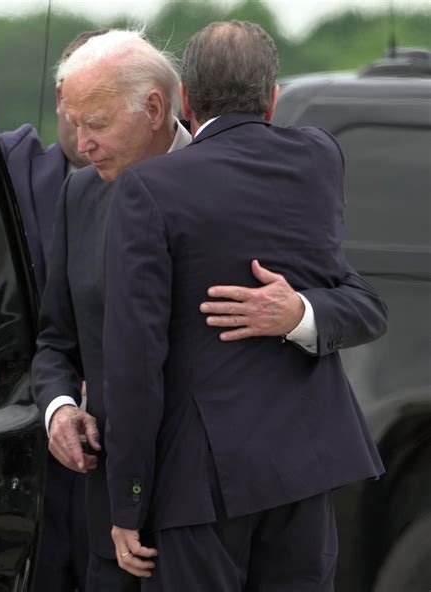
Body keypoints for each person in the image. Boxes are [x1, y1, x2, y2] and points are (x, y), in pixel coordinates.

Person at [32, 27, 386, 590]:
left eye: (95, 123)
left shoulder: (252, 177)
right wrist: (56, 407)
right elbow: (58, 338)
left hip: (202, 499)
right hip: (122, 512)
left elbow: (359, 299)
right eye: (73, 123)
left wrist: (298, 313)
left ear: (161, 106)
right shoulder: (79, 195)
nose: (80, 142)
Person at [0, 29, 108, 592]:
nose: (84, 122)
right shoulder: (13, 170)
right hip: (28, 424)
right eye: (74, 100)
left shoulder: (166, 183)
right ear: (59, 99)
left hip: (121, 448)